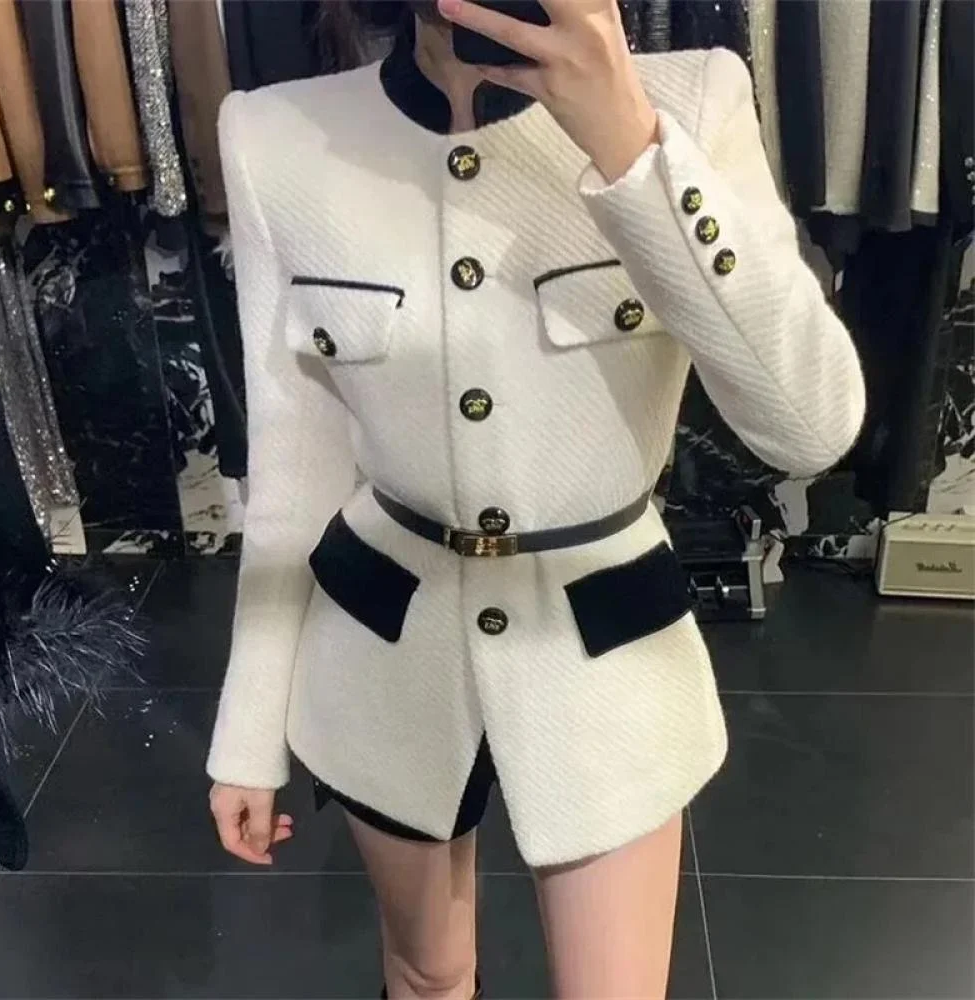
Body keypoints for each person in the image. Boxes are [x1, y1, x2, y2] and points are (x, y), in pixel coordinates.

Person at [206, 1, 865, 996]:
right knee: (425, 975)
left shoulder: (690, 102)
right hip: (384, 643)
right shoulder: (277, 136)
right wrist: (248, 735)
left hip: (604, 641)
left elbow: (809, 427)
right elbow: (293, 466)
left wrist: (631, 146)